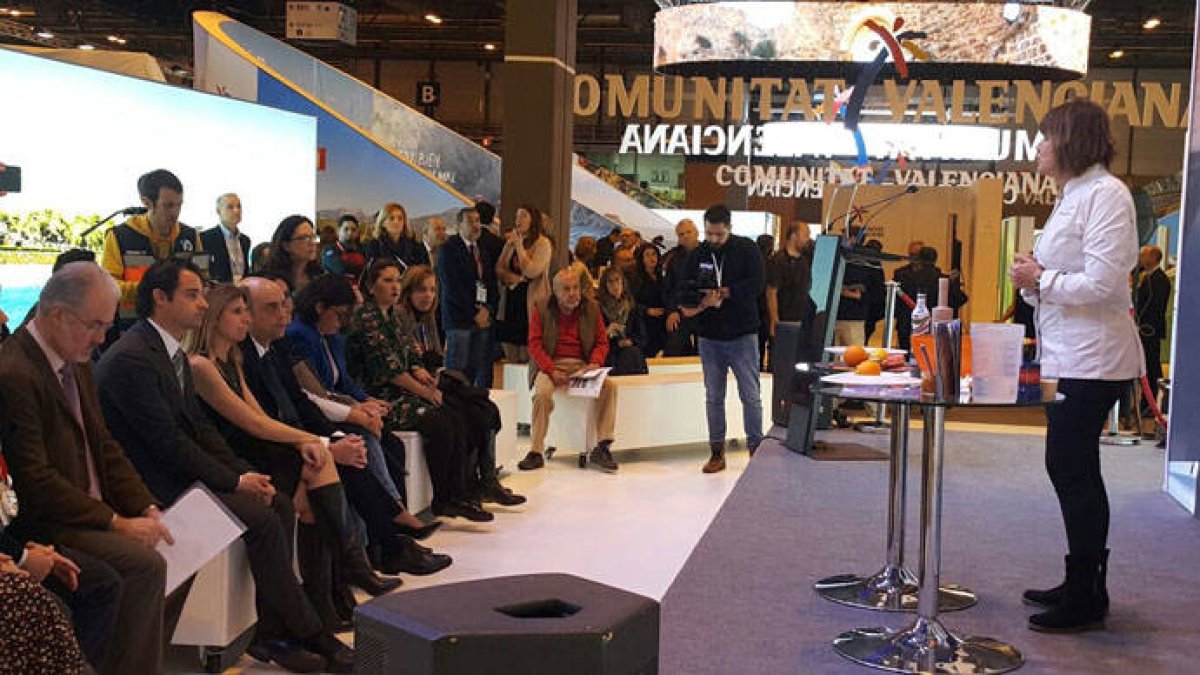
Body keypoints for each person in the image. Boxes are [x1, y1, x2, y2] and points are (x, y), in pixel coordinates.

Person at [95, 260, 353, 672]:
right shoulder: (135, 358)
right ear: (160, 299)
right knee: (265, 516)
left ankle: (277, 631)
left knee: (277, 503)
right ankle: (310, 631)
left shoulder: (166, 350)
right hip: (152, 486)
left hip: (180, 473)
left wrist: (241, 475)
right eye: (192, 294)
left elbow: (196, 429)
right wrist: (235, 477)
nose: (201, 304)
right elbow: (170, 443)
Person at [185, 286, 418, 630]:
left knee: (314, 484)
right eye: (237, 312)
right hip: (236, 456)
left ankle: (332, 592)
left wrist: (313, 442)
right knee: (318, 465)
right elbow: (250, 423)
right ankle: (346, 570)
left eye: (245, 311)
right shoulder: (201, 366)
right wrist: (316, 442)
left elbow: (261, 417)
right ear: (214, 317)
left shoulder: (232, 360)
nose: (245, 318)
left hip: (260, 445)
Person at [1009, 98, 1144, 634]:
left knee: (1069, 466)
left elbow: (1104, 282)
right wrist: (1037, 279)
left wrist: (1039, 279)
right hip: (1071, 354)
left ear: (1070, 139)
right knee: (1075, 467)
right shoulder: (1074, 195)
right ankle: (1085, 582)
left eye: (1045, 136)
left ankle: (1086, 592)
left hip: (1095, 358)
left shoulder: (1107, 195)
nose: (1039, 147)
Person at [0, 262, 171, 674]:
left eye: (106, 326)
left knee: (171, 540)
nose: (101, 338)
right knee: (145, 564)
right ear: (57, 315)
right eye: (94, 326)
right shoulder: (16, 373)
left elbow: (105, 446)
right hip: (49, 519)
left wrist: (144, 505)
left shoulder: (75, 359)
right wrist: (116, 522)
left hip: (87, 508)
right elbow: (36, 480)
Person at [343, 265, 494, 522]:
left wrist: (418, 369)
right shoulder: (367, 318)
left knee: (456, 414)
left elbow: (410, 354)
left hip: (402, 389)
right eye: (387, 281)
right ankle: (444, 498)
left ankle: (457, 492)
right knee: (439, 420)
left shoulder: (391, 316)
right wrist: (426, 392)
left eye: (397, 281)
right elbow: (389, 370)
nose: (394, 287)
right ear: (370, 287)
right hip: (380, 395)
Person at [394, 266, 526, 506]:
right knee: (473, 408)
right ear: (408, 291)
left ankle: (486, 480)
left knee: (485, 408)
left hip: (432, 382)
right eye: (422, 289)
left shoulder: (428, 318)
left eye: (433, 290)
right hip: (412, 389)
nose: (428, 295)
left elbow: (433, 358)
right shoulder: (399, 317)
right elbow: (406, 363)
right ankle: (470, 486)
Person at [681, 205, 765, 474]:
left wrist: (728, 292)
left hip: (743, 333)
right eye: (709, 234)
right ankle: (716, 452)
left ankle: (755, 449)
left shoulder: (747, 250)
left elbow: (758, 283)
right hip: (709, 335)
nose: (714, 239)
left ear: (729, 228)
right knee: (713, 396)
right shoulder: (698, 254)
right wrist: (702, 299)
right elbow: (684, 287)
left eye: (719, 234)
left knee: (750, 395)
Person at [520, 269, 618, 472]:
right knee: (542, 395)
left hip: (582, 366)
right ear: (555, 292)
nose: (573, 293)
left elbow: (602, 342)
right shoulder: (542, 307)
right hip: (549, 365)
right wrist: (551, 370)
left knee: (609, 386)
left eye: (575, 288)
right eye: (566, 289)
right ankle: (536, 451)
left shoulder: (591, 308)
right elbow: (534, 345)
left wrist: (594, 364)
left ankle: (602, 445)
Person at [100, 169, 203, 325]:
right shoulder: (119, 236)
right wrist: (150, 289)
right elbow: (108, 287)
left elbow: (204, 281)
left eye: (179, 205)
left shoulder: (191, 236)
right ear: (147, 202)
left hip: (182, 330)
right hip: (134, 328)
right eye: (168, 206)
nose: (175, 212)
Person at [437, 207, 495, 388]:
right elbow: (452, 287)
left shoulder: (482, 251)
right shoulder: (449, 249)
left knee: (479, 369)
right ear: (458, 225)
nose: (476, 225)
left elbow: (491, 284)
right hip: (459, 320)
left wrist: (488, 310)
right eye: (470, 221)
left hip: (482, 320)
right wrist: (473, 313)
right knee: (457, 373)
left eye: (478, 220)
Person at [495, 204, 553, 364]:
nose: (518, 220)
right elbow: (500, 268)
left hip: (531, 302)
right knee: (511, 348)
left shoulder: (543, 243)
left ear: (533, 220)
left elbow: (532, 271)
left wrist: (519, 246)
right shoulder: (513, 240)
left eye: (523, 216)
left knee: (529, 350)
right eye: (517, 216)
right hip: (512, 299)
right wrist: (515, 278)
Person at [765, 222, 814, 355]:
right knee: (782, 360)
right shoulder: (778, 260)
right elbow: (771, 292)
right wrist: (775, 321)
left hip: (801, 319)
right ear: (794, 236)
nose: (808, 239)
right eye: (805, 235)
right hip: (784, 321)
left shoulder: (804, 261)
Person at [1134, 245, 1171, 400]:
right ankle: (1147, 400)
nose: (1141, 259)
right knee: (1147, 365)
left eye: (1144, 256)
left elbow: (1155, 305)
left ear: (1153, 258)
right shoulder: (1146, 277)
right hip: (1144, 329)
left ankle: (1153, 400)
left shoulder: (1159, 279)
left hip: (1150, 330)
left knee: (1152, 365)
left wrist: (1145, 326)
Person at [597, 267, 648, 375]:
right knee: (629, 355)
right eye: (610, 282)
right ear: (605, 286)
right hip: (609, 352)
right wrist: (608, 331)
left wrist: (631, 341)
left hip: (629, 350)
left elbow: (642, 337)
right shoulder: (598, 308)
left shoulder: (631, 306)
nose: (615, 285)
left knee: (632, 353)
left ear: (623, 282)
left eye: (617, 280)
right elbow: (593, 340)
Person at [663, 218, 700, 356]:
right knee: (673, 347)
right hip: (680, 310)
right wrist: (672, 311)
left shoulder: (709, 254)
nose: (685, 236)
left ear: (696, 232)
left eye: (688, 232)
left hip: (705, 310)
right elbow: (668, 288)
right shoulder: (674, 259)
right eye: (681, 234)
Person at [263, 215, 325, 295]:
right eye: (304, 238)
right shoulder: (270, 282)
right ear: (286, 246)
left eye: (313, 237)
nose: (312, 243)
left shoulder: (318, 275)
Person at [201, 193, 251, 284]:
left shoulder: (245, 240)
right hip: (220, 292)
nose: (236, 210)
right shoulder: (206, 238)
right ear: (219, 211)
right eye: (230, 207)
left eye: (239, 206)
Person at [365, 203, 430, 271]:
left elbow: (424, 271)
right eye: (391, 218)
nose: (396, 222)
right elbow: (373, 273)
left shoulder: (415, 246)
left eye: (400, 218)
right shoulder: (374, 246)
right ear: (383, 223)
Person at [632, 243, 667, 358]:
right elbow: (630, 302)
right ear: (641, 259)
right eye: (647, 255)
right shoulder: (636, 278)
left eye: (654, 254)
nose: (652, 258)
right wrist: (647, 310)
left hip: (661, 321)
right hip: (644, 322)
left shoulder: (661, 277)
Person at [321, 214, 368, 281]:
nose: (350, 233)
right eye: (346, 229)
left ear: (357, 233)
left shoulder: (363, 249)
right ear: (338, 231)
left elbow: (371, 270)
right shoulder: (329, 250)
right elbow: (340, 268)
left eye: (353, 230)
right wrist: (362, 270)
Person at [755, 234, 775, 369]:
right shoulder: (772, 264)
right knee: (772, 343)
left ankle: (758, 367)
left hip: (755, 308)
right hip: (768, 309)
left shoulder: (754, 263)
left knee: (758, 345)